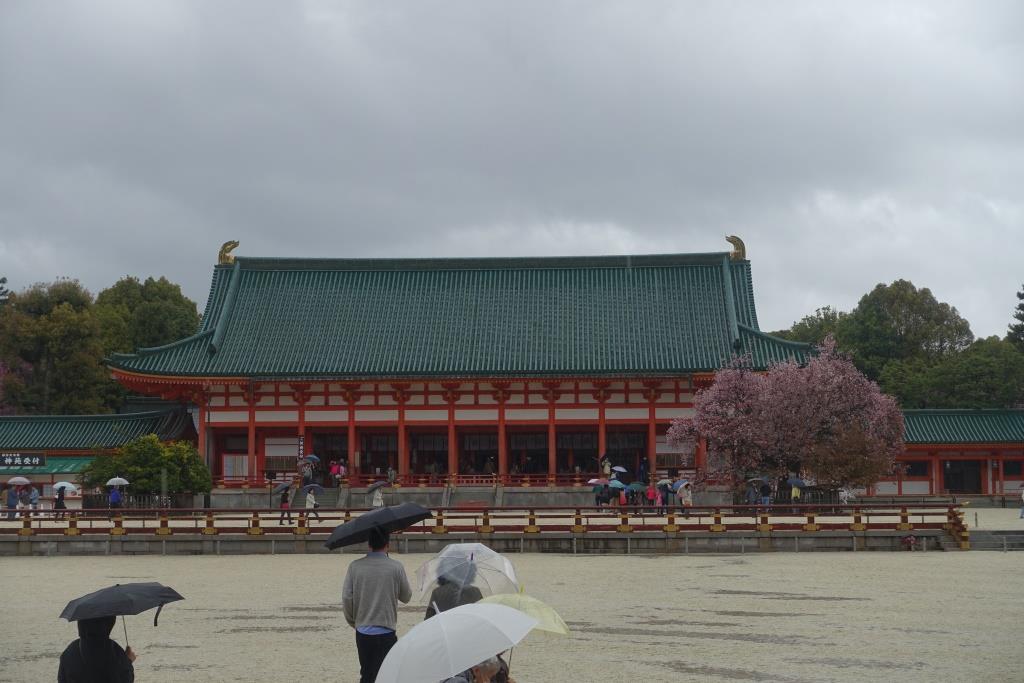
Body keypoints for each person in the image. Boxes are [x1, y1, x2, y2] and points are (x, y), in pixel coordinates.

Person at [342, 527, 412, 683]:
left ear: (369, 544)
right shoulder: (396, 567)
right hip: (387, 629)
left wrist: (353, 621)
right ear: (388, 544)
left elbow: (347, 597)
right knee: (388, 675)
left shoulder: (355, 566)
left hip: (363, 629)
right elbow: (406, 597)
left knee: (367, 674)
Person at [57, 615, 136, 682]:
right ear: (108, 623)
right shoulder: (113, 649)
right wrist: (128, 661)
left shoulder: (69, 651)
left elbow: (62, 679)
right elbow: (125, 679)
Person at [442, 655, 516, 683]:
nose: (489, 681)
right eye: (488, 676)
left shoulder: (466, 671)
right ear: (477, 670)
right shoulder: (459, 680)